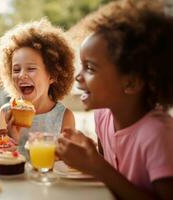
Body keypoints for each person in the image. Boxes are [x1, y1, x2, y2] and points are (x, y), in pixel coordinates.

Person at [56, 1, 173, 199]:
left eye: (90, 68)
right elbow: (112, 177)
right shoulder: (103, 116)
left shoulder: (157, 134)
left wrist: (97, 166)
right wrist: (86, 154)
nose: (78, 76)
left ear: (131, 83)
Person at [0, 18, 76, 156]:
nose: (21, 75)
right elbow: (3, 160)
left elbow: (66, 164)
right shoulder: (6, 113)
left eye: (31, 68)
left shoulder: (64, 116)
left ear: (52, 75)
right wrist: (13, 140)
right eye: (16, 70)